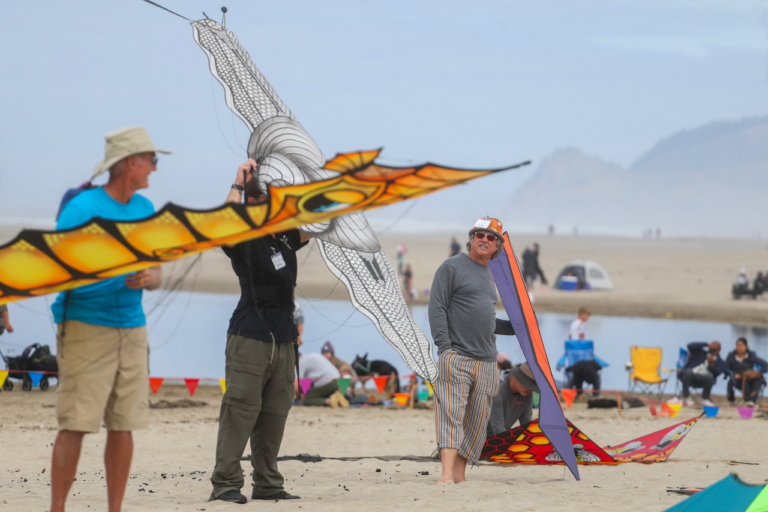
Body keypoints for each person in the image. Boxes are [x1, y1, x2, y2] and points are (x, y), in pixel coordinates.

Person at [49, 126, 167, 512]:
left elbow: (158, 270)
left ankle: (114, 509)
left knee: (124, 424)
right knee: (77, 423)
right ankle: (57, 508)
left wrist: (150, 278)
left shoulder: (144, 210)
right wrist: (112, 272)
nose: (154, 167)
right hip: (85, 326)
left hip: (132, 329)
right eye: (152, 160)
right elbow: (57, 271)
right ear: (131, 162)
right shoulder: (82, 209)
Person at [209, 158, 311, 505]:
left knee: (275, 412)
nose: (255, 204)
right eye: (251, 200)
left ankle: (267, 483)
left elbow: (320, 222)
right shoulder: (241, 238)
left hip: (283, 335)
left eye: (261, 199)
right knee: (240, 408)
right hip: (250, 331)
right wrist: (239, 182)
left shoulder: (284, 235)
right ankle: (225, 483)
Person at [429, 216, 516, 485]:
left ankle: (459, 476)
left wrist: (518, 327)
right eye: (480, 234)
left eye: (491, 237)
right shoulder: (452, 267)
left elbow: (487, 319)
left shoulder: (493, 276)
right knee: (450, 415)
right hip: (456, 356)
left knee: (477, 422)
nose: (485, 240)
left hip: (488, 361)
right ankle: (445, 475)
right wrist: (445, 348)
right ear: (472, 237)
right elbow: (437, 307)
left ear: (497, 246)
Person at [486, 363, 539, 437]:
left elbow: (526, 423)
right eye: (529, 385)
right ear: (518, 377)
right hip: (479, 439)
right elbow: (498, 429)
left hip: (501, 436)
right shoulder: (497, 390)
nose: (532, 390)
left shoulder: (528, 394)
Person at [678, 341, 727, 407]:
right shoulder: (700, 353)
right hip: (691, 374)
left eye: (714, 349)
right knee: (688, 371)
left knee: (709, 376)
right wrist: (705, 344)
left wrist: (711, 365)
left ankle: (705, 399)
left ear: (719, 350)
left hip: (704, 379)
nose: (712, 350)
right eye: (711, 348)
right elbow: (690, 346)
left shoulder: (721, 362)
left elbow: (717, 373)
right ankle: (686, 397)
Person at [725, 337, 768, 406]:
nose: (739, 347)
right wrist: (734, 375)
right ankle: (748, 400)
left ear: (746, 347)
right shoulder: (731, 356)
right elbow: (726, 368)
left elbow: (765, 364)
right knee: (744, 381)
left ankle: (752, 401)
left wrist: (758, 372)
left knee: (757, 379)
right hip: (738, 378)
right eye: (737, 345)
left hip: (751, 377)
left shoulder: (751, 356)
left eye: (741, 345)